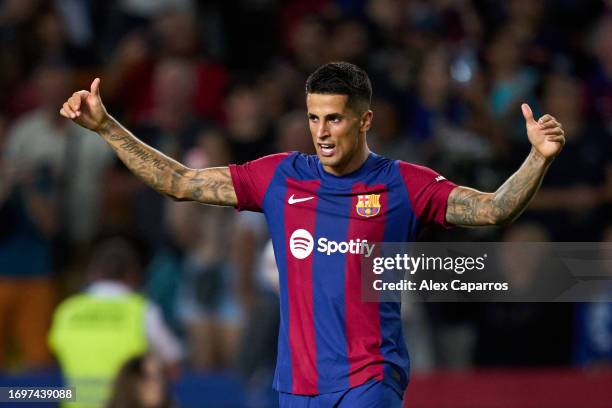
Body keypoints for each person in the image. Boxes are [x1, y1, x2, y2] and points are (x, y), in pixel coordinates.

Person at [59, 62, 565, 407]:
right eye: (313, 118)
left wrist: (536, 159)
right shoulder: (280, 176)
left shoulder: (404, 184)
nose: (321, 132)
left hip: (371, 378)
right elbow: (178, 182)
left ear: (364, 120)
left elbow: (494, 209)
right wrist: (107, 128)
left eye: (335, 119)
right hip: (297, 385)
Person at [48, 238, 181, 408]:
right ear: (134, 275)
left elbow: (53, 357)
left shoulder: (67, 311)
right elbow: (173, 364)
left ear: (92, 274)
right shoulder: (142, 311)